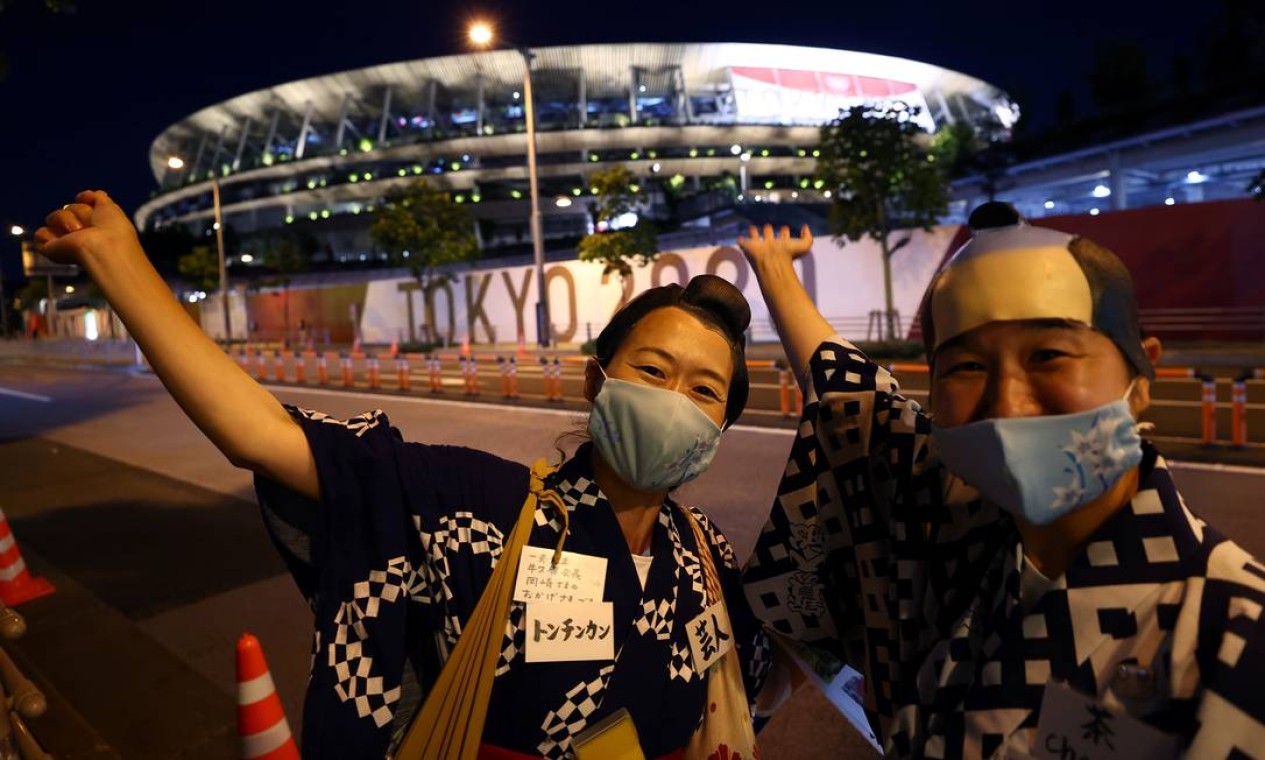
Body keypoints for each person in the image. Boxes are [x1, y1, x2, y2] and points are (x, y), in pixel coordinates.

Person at [35, 191, 771, 759]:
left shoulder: (705, 553)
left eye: (704, 391)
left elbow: (784, 653)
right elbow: (261, 436)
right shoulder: (482, 509)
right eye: (650, 370)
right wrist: (120, 264)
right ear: (595, 382)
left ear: (719, 428)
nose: (674, 401)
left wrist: (777, 278)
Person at [737, 205, 1265, 759]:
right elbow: (855, 402)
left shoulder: (1235, 630)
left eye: (1049, 355)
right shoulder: (953, 524)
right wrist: (775, 271)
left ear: (1141, 375)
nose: (1007, 405)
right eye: (966, 367)